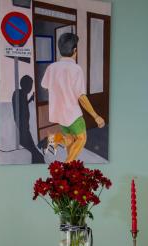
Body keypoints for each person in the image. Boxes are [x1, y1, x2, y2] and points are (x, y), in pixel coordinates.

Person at [41, 33, 105, 162]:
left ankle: (58, 146)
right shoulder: (76, 69)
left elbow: (45, 86)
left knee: (70, 140)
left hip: (59, 114)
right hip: (72, 114)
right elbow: (81, 96)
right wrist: (96, 116)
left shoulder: (51, 68)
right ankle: (67, 166)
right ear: (75, 50)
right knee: (81, 139)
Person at [12, 75, 44, 164]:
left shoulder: (22, 93)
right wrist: (23, 129)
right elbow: (19, 111)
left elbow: (22, 106)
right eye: (30, 85)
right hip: (24, 131)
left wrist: (30, 100)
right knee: (37, 155)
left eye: (31, 85)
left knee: (36, 153)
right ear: (24, 85)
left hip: (25, 130)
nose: (31, 87)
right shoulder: (19, 93)